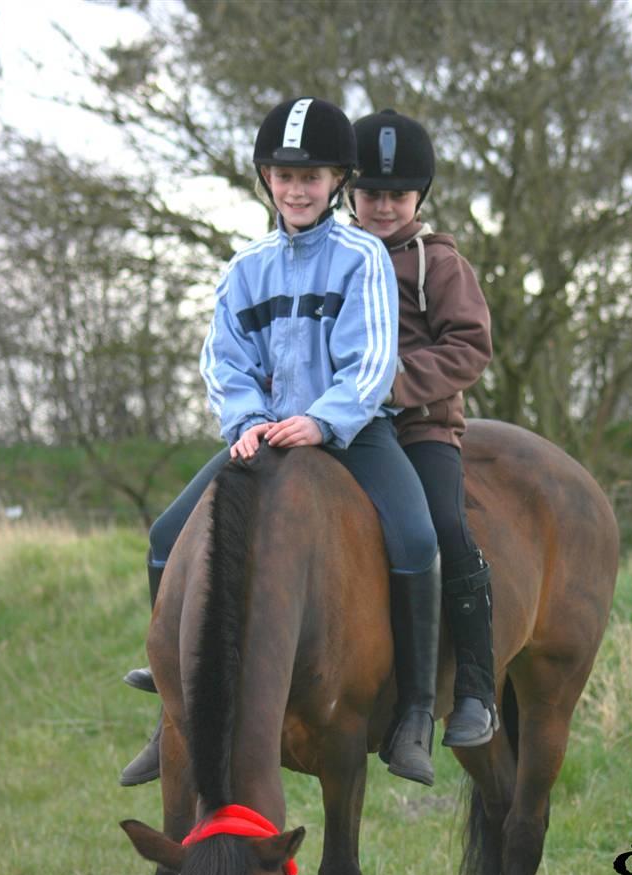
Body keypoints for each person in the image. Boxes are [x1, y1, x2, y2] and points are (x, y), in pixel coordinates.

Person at [120, 96, 441, 789]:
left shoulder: (363, 258)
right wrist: (248, 423)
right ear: (266, 179)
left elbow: (375, 359)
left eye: (314, 176)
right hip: (263, 435)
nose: (298, 189)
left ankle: (415, 710)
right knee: (167, 535)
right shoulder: (246, 267)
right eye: (285, 176)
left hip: (352, 435)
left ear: (337, 183)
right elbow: (223, 359)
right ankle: (172, 708)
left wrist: (323, 420)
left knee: (417, 539)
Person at [350, 109, 498, 751]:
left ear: (419, 198)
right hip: (338, 428)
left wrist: (394, 382)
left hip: (421, 429)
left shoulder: (438, 263)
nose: (384, 206)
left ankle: (475, 687)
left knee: (444, 524)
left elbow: (471, 344)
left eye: (397, 195)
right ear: (349, 194)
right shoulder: (334, 256)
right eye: (371, 193)